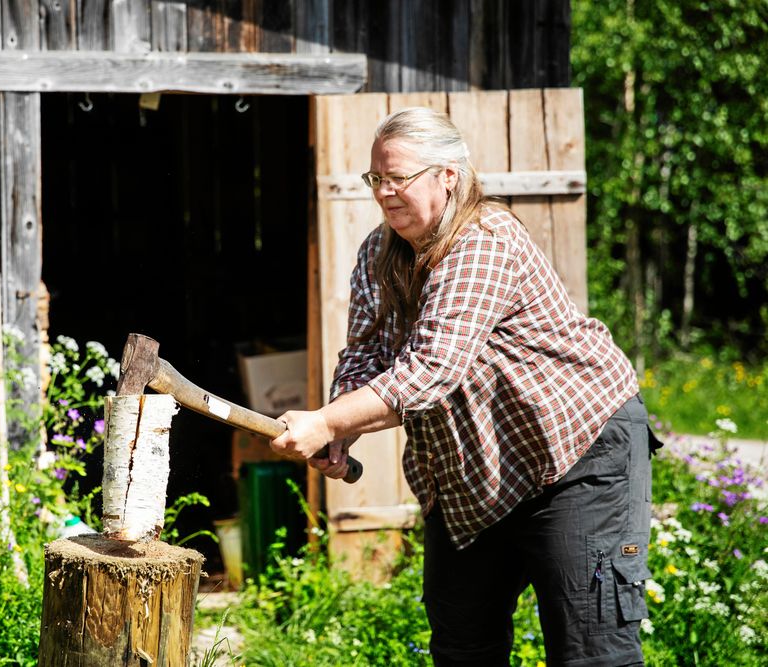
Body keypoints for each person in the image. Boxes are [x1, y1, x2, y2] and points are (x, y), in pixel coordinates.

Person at [269, 107, 660, 666]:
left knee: (591, 652)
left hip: (577, 454)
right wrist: (339, 431)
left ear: (447, 176)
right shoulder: (377, 253)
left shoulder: (485, 238)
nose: (384, 192)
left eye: (398, 177)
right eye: (376, 178)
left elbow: (432, 367)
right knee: (463, 647)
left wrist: (326, 421)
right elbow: (365, 353)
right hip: (474, 473)